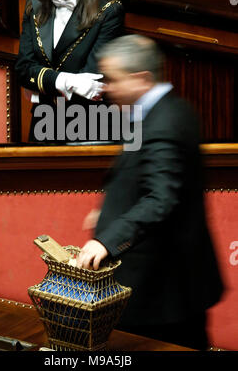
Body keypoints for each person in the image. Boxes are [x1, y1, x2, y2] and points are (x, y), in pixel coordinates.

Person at [76, 34, 224, 350]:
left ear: (140, 79)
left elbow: (162, 198)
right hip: (166, 286)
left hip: (162, 291)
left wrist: (106, 240)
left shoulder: (164, 123)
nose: (107, 88)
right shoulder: (167, 110)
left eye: (113, 80)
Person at [15, 0, 124, 143]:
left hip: (88, 125)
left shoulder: (109, 10)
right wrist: (69, 81)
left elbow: (94, 83)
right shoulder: (34, 1)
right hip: (42, 124)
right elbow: (23, 70)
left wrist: (42, 84)